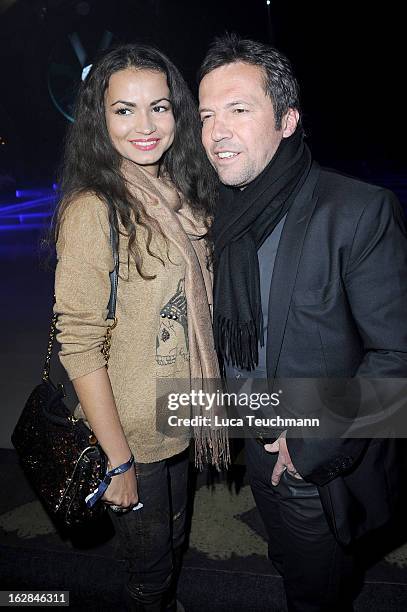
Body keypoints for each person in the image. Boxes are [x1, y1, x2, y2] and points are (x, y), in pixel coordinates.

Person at [198, 34, 407, 611]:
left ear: (288, 120)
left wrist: (310, 438)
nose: (216, 131)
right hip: (254, 439)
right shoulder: (218, 217)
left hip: (315, 461)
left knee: (317, 592)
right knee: (289, 567)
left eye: (239, 110)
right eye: (208, 115)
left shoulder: (358, 211)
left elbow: (397, 356)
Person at [53, 43, 227, 611]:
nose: (146, 126)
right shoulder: (93, 209)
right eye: (124, 110)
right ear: (99, 119)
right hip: (130, 434)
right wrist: (118, 459)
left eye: (159, 107)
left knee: (172, 546)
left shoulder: (178, 196)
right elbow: (79, 346)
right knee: (149, 571)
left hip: (177, 413)